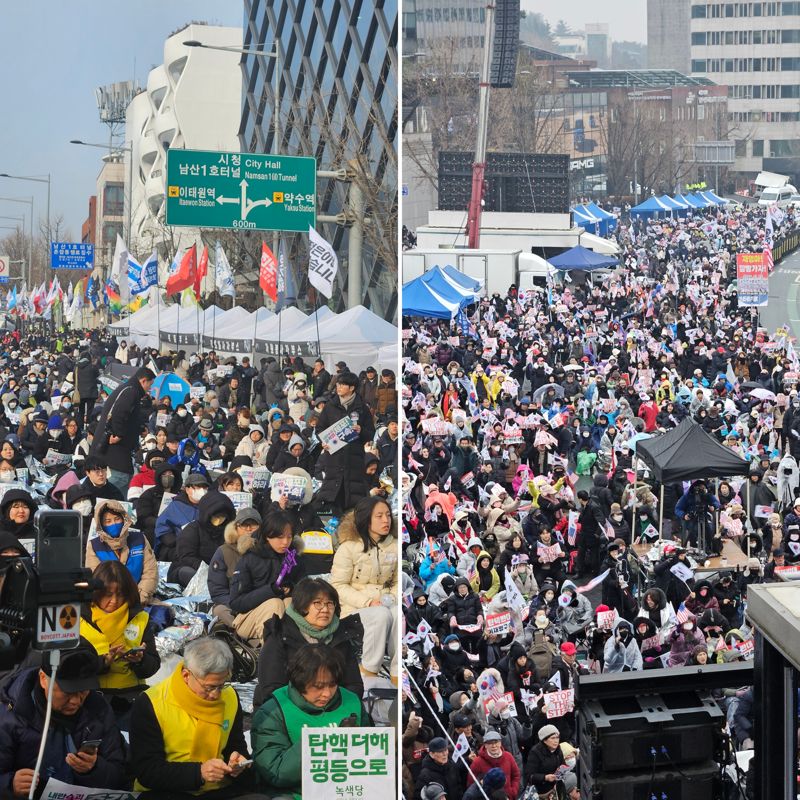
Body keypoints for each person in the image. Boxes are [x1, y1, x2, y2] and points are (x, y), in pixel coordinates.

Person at [130, 636, 255, 798]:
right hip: (168, 791)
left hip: (218, 788)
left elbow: (236, 746)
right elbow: (147, 770)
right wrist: (199, 773)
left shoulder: (230, 696)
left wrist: (238, 764)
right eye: (209, 687)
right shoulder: (151, 702)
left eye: (221, 685)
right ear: (186, 675)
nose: (216, 694)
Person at [0, 646, 127, 795]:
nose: (75, 701)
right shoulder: (10, 714)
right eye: (68, 692)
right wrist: (10, 784)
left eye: (83, 691)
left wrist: (94, 769)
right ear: (43, 679)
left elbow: (120, 774)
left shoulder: (99, 710)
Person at [251, 645, 372, 798]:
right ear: (299, 682)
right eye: (318, 687)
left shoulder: (352, 702)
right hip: (296, 793)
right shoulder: (273, 711)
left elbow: (375, 756)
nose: (327, 694)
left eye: (333, 684)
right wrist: (317, 741)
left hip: (348, 791)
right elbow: (276, 772)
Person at [253, 577, 364, 708]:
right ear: (302, 606)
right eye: (317, 603)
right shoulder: (280, 635)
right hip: (286, 711)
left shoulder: (341, 636)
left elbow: (354, 685)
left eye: (330, 603)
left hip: (333, 711)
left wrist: (331, 707)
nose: (325, 609)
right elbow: (272, 688)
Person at [79, 561, 160, 726]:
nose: (114, 601)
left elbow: (153, 665)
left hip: (131, 698)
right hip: (91, 698)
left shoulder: (140, 618)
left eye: (120, 594)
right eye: (108, 594)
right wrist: (102, 663)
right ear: (95, 593)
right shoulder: (78, 619)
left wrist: (140, 660)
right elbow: (72, 667)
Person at [330, 496, 398, 682]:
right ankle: (369, 668)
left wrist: (391, 597)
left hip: (385, 602)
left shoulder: (394, 545)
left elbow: (397, 581)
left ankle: (396, 673)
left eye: (388, 515)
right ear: (366, 519)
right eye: (379, 516)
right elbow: (338, 585)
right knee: (380, 615)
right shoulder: (348, 548)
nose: (386, 520)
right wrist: (367, 602)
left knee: (398, 614)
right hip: (354, 608)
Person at [229, 511, 304, 644]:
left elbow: (304, 590)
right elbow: (236, 603)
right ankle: (273, 654)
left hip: (281, 610)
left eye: (289, 536)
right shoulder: (250, 558)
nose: (285, 542)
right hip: (246, 618)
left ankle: (296, 650)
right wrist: (270, 590)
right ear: (268, 536)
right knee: (274, 603)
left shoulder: (294, 558)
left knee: (289, 603)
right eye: (280, 537)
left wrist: (291, 589)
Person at [314, 371, 376, 513]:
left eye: (342, 384)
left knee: (353, 501)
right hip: (333, 458)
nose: (338, 387)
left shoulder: (362, 408)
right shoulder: (330, 406)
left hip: (354, 460)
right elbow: (319, 428)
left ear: (352, 387)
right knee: (333, 499)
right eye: (338, 384)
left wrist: (361, 431)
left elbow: (371, 434)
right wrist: (322, 441)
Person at [91, 366, 156, 492]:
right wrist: (118, 434)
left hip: (118, 445)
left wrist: (140, 428)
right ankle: (100, 498)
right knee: (122, 478)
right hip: (113, 445)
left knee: (124, 479)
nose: (150, 388)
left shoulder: (129, 389)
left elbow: (129, 418)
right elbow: (119, 414)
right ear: (143, 381)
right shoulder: (131, 391)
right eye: (150, 384)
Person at [84, 498, 158, 605]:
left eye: (117, 519)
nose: (113, 524)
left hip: (140, 600)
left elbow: (150, 573)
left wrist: (138, 598)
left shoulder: (139, 539)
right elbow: (96, 580)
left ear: (124, 519)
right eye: (108, 521)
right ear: (101, 524)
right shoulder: (95, 546)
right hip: (109, 603)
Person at [169, 492, 237, 588]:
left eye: (222, 517)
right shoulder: (193, 529)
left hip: (221, 571)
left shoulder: (229, 532)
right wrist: (209, 569)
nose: (219, 520)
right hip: (192, 568)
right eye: (215, 516)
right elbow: (186, 557)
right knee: (188, 573)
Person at [208, 507, 262, 627]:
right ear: (236, 528)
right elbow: (218, 591)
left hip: (263, 605)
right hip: (234, 607)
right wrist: (238, 605)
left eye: (254, 525)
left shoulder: (267, 550)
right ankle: (240, 633)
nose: (249, 529)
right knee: (219, 610)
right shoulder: (223, 552)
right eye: (244, 525)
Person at [154, 471, 208, 561]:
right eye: (197, 487)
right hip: (180, 547)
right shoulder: (176, 506)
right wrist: (174, 541)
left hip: (205, 547)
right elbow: (162, 527)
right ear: (187, 489)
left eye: (204, 487)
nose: (201, 490)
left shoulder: (211, 505)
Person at [468, 730, 521, 800]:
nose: (494, 746)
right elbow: (471, 783)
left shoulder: (508, 756)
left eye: (496, 742)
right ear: (485, 745)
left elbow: (516, 775)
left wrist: (512, 791)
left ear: (500, 743)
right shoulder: (477, 762)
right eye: (490, 743)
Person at [524, 725, 566, 799]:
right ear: (544, 740)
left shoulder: (558, 749)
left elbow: (562, 764)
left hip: (556, 788)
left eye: (557, 737)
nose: (556, 741)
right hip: (540, 792)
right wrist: (545, 777)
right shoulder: (535, 752)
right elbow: (529, 776)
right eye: (553, 738)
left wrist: (561, 771)